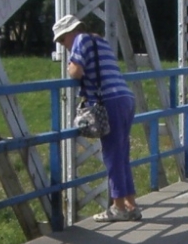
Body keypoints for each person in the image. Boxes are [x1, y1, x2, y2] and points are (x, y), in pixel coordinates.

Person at [52, 14, 141, 222]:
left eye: (62, 40)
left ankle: (118, 206)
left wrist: (69, 67)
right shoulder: (100, 41)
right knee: (121, 153)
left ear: (70, 33)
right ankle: (131, 204)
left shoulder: (80, 40)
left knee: (112, 155)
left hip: (109, 101)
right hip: (125, 98)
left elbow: (76, 71)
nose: (63, 45)